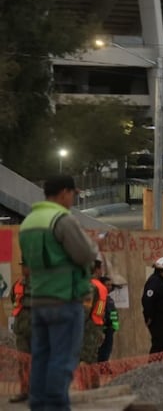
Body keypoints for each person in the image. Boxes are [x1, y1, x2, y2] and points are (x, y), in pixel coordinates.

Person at [18, 174, 98, 411]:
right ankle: (56, 406)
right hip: (64, 299)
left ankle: (39, 405)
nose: (74, 198)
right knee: (62, 359)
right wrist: (93, 246)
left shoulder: (29, 221)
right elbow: (84, 254)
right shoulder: (62, 220)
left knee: (41, 357)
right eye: (73, 194)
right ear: (64, 192)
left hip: (38, 301)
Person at [79, 259, 109, 388]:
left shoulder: (90, 286)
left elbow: (85, 310)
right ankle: (95, 386)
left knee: (85, 359)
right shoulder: (102, 287)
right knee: (93, 358)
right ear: (96, 270)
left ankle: (87, 387)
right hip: (97, 325)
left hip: (88, 327)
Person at [9, 261, 31, 404]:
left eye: (26, 266)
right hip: (22, 331)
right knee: (23, 363)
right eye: (22, 266)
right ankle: (25, 391)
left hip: (38, 330)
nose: (23, 268)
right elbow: (13, 299)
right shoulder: (17, 284)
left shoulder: (40, 284)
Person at [97, 274, 125, 365]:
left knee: (107, 350)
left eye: (110, 285)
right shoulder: (100, 299)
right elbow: (98, 314)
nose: (109, 287)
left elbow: (113, 314)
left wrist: (114, 327)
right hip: (103, 330)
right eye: (107, 285)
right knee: (101, 352)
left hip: (110, 330)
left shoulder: (109, 299)